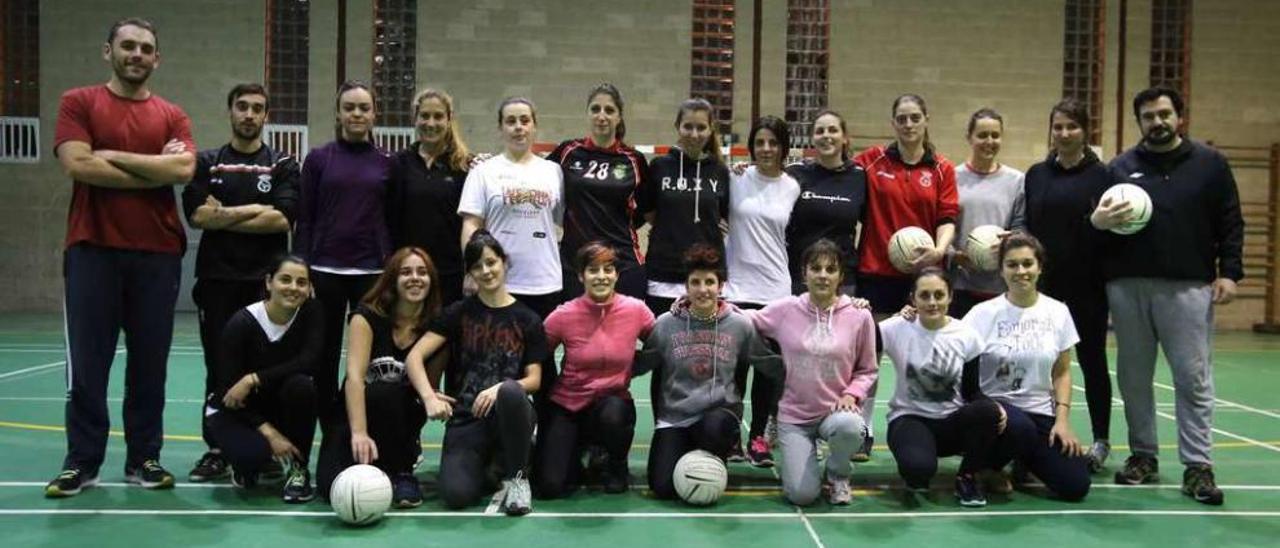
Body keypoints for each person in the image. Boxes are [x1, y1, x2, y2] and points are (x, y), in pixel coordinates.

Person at [47, 17, 196, 497]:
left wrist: (109, 155)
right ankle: (82, 462)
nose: (137, 54)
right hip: (93, 251)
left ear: (157, 59)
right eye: (127, 45)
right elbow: (77, 163)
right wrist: (155, 170)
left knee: (150, 366)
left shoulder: (172, 115)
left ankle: (143, 459)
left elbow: (184, 168)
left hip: (157, 255)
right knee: (89, 365)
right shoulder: (79, 102)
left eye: (146, 48)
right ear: (107, 50)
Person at [1090, 86, 1243, 505]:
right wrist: (1097, 220)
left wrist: (1229, 272)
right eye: (1148, 116)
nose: (1157, 122)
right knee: (1133, 379)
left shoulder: (1210, 164)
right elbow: (1096, 229)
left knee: (1192, 379)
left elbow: (1231, 219)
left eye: (1164, 114)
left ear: (1179, 117)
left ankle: (1198, 466)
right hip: (1128, 287)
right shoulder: (1119, 168)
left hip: (1188, 288)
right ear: (1138, 121)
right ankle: (1143, 456)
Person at [182, 82, 299, 482]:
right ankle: (217, 448)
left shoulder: (282, 163)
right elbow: (197, 216)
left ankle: (264, 444)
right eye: (242, 107)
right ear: (230, 111)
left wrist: (226, 213)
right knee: (218, 366)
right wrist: (255, 212)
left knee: (264, 368)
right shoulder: (207, 162)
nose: (249, 114)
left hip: (266, 288)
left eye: (257, 108)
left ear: (266, 116)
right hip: (217, 282)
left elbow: (282, 219)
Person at [850, 93, 959, 461]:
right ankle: (861, 431)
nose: (909, 124)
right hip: (876, 273)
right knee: (870, 356)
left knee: (921, 356)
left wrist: (940, 251)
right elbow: (833, 172)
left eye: (915, 117)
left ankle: (930, 426)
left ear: (926, 119)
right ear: (893, 122)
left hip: (923, 278)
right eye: (902, 118)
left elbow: (947, 217)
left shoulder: (942, 168)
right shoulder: (871, 161)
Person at [405, 231, 544, 516]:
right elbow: (414, 357)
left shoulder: (527, 319)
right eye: (478, 266)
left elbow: (534, 380)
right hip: (468, 419)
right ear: (470, 273)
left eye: (491, 262)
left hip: (510, 414)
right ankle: (492, 466)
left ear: (504, 263)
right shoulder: (458, 313)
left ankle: (517, 477)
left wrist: (501, 388)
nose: (486, 271)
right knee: (456, 495)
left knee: (511, 391)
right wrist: (429, 396)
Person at [634, 243, 776, 501]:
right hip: (676, 418)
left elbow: (766, 362)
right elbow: (645, 362)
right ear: (686, 287)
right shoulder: (667, 324)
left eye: (709, 282)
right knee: (662, 488)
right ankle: (686, 450)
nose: (703, 289)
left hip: (718, 417)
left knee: (714, 428)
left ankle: (713, 453)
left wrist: (806, 368)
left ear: (720, 286)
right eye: (695, 282)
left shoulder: (739, 325)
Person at [293, 80, 394, 426]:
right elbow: (304, 218)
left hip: (372, 273)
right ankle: (332, 426)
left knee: (373, 359)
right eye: (349, 107)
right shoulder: (319, 159)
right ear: (338, 113)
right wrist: (302, 269)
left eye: (363, 108)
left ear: (373, 113)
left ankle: (368, 424)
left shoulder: (386, 163)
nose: (356, 114)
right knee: (322, 356)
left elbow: (394, 219)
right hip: (324, 272)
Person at [1023, 98, 1115, 472]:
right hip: (1044, 288)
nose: (1063, 133)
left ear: (1085, 131)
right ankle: (1037, 438)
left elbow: (1112, 235)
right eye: (1058, 127)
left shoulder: (1105, 177)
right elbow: (1029, 227)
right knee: (1041, 364)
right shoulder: (1036, 174)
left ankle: (1101, 440)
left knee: (1092, 362)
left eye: (1071, 127)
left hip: (1088, 286)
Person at [748, 240, 877, 506]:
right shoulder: (785, 309)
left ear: (841, 276)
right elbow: (744, 319)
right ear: (804, 273)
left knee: (851, 426)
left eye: (831, 269)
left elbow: (867, 369)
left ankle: (838, 472)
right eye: (815, 268)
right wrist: (703, 307)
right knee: (802, 495)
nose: (822, 275)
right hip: (794, 417)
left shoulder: (859, 316)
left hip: (835, 413)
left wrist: (853, 394)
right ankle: (804, 463)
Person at [964, 232, 1090, 502]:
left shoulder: (1058, 312)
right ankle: (988, 466)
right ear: (1001, 270)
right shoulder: (981, 314)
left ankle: (1023, 459)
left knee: (1075, 484)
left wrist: (1063, 421)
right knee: (1020, 428)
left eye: (1027, 263)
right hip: (994, 415)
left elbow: (1062, 371)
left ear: (1039, 267)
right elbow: (953, 352)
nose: (1021, 271)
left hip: (1039, 414)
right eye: (1012, 265)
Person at [315, 247, 442, 508]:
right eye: (406, 272)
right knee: (332, 489)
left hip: (401, 418)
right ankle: (373, 457)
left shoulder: (436, 326)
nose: (415, 278)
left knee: (391, 392)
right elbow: (354, 379)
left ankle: (402, 469)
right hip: (358, 412)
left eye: (422, 272)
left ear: (432, 280)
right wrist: (359, 433)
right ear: (393, 279)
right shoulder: (367, 317)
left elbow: (428, 387)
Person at [533, 242, 655, 498]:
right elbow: (535, 354)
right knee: (551, 486)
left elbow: (660, 346)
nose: (601, 276)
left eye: (608, 269)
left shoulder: (636, 310)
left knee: (614, 413)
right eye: (593, 270)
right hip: (569, 405)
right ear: (581, 275)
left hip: (612, 405)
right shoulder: (563, 316)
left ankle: (615, 463)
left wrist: (632, 369)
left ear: (616, 274)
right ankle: (578, 449)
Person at [204, 255, 321, 503]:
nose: (293, 288)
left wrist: (253, 379)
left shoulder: (311, 313)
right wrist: (269, 433)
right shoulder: (242, 323)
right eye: (285, 280)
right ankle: (246, 461)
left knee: (302, 386)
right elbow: (228, 391)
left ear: (309, 288)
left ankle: (299, 469)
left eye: (302, 282)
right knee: (251, 459)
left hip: (273, 400)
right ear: (269, 282)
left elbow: (308, 361)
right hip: (234, 410)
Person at [882, 267, 1004, 507]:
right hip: (910, 419)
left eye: (939, 295)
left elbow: (971, 391)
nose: (932, 302)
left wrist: (993, 407)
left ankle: (967, 476)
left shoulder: (966, 335)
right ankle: (918, 460)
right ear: (913, 298)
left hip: (951, 423)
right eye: (924, 295)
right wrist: (857, 306)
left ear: (950, 296)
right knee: (918, 472)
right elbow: (858, 333)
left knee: (988, 412)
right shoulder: (895, 328)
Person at [724, 116, 801, 467]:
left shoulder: (792, 187)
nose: (766, 149)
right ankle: (730, 441)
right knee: (735, 370)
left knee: (768, 371)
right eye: (760, 142)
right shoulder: (736, 178)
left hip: (776, 290)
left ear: (784, 147)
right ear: (751, 146)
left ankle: (758, 438)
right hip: (737, 287)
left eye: (773, 142)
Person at [458, 97, 564, 319]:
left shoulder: (553, 171)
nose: (518, 127)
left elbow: (560, 221)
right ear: (501, 128)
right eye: (511, 121)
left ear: (534, 126)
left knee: (539, 354)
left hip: (545, 283)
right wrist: (473, 270)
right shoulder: (483, 171)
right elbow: (471, 225)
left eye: (525, 121)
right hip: (497, 282)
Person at [548, 84, 651, 300]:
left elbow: (647, 210)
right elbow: (536, 179)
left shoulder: (634, 159)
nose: (601, 116)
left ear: (619, 117)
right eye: (595, 109)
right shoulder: (568, 151)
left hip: (623, 263)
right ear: (587, 113)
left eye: (609, 110)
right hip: (575, 264)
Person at [641, 98, 731, 316]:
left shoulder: (720, 171)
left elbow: (725, 215)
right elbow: (649, 212)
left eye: (701, 127)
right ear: (677, 127)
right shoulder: (659, 167)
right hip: (663, 273)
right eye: (688, 126)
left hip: (706, 278)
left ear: (711, 130)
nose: (694, 133)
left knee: (705, 344)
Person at [387, 88, 472, 307]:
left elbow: (470, 224)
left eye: (438, 116)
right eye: (424, 116)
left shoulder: (465, 167)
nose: (431, 123)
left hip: (449, 275)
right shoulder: (399, 163)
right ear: (414, 118)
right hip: (408, 274)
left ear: (449, 119)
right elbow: (390, 220)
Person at [948, 108, 1025, 318]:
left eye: (995, 135)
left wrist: (1010, 243)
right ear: (969, 137)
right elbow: (941, 226)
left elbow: (1020, 227)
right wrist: (955, 256)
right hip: (960, 286)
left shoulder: (1016, 180)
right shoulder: (952, 177)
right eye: (982, 135)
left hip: (1001, 287)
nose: (989, 141)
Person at [784, 110, 867, 297]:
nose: (826, 136)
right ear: (813, 138)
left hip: (843, 279)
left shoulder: (859, 177)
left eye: (832, 130)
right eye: (820, 131)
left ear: (845, 138)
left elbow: (873, 224)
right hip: (801, 278)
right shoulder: (795, 174)